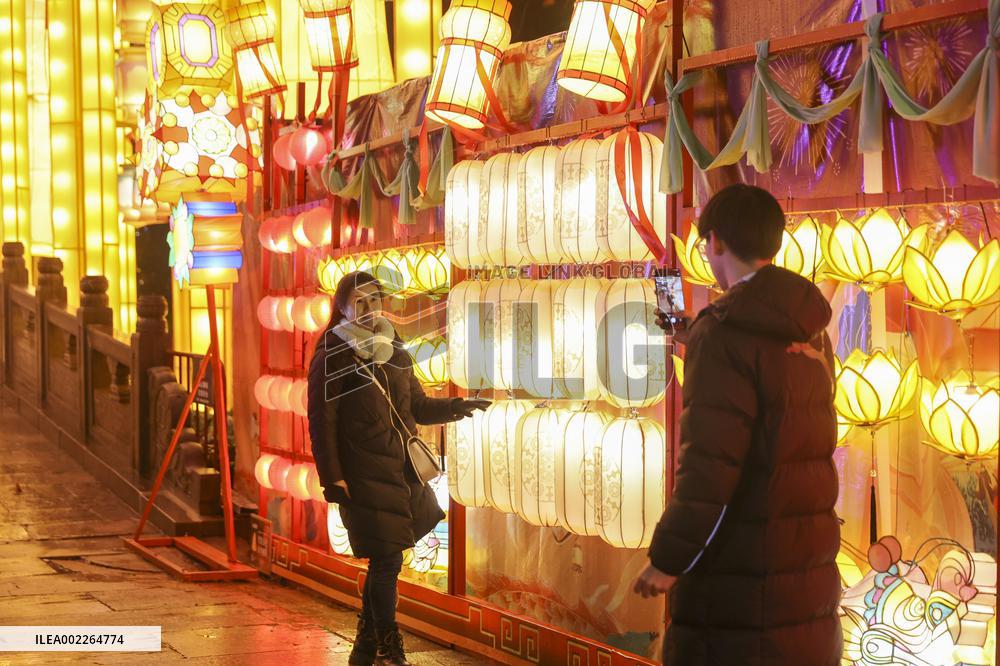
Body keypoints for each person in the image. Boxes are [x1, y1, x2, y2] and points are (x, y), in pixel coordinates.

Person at [634, 184, 842, 665]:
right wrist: (690, 325)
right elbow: (757, 372)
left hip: (739, 579)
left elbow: (709, 466)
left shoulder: (724, 333)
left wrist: (668, 559)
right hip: (803, 569)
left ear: (716, 243)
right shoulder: (808, 327)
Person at [307, 271, 489, 666]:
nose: (368, 308)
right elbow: (322, 422)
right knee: (388, 559)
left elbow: (417, 406)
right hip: (362, 474)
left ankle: (365, 646)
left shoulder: (393, 347)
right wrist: (332, 478)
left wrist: (457, 406)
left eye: (375, 300)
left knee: (386, 559)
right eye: (359, 301)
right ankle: (389, 646)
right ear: (341, 306)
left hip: (400, 472)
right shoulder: (333, 355)